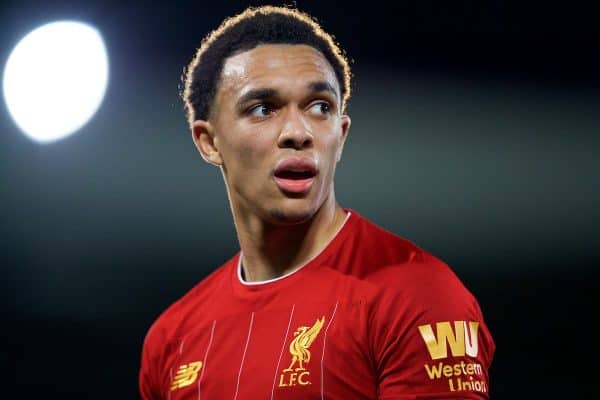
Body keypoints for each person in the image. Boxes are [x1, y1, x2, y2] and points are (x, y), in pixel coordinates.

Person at [139, 5, 495, 399]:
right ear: (208, 142)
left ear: (340, 135)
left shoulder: (416, 295)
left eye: (320, 107)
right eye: (263, 109)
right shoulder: (173, 338)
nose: (298, 131)